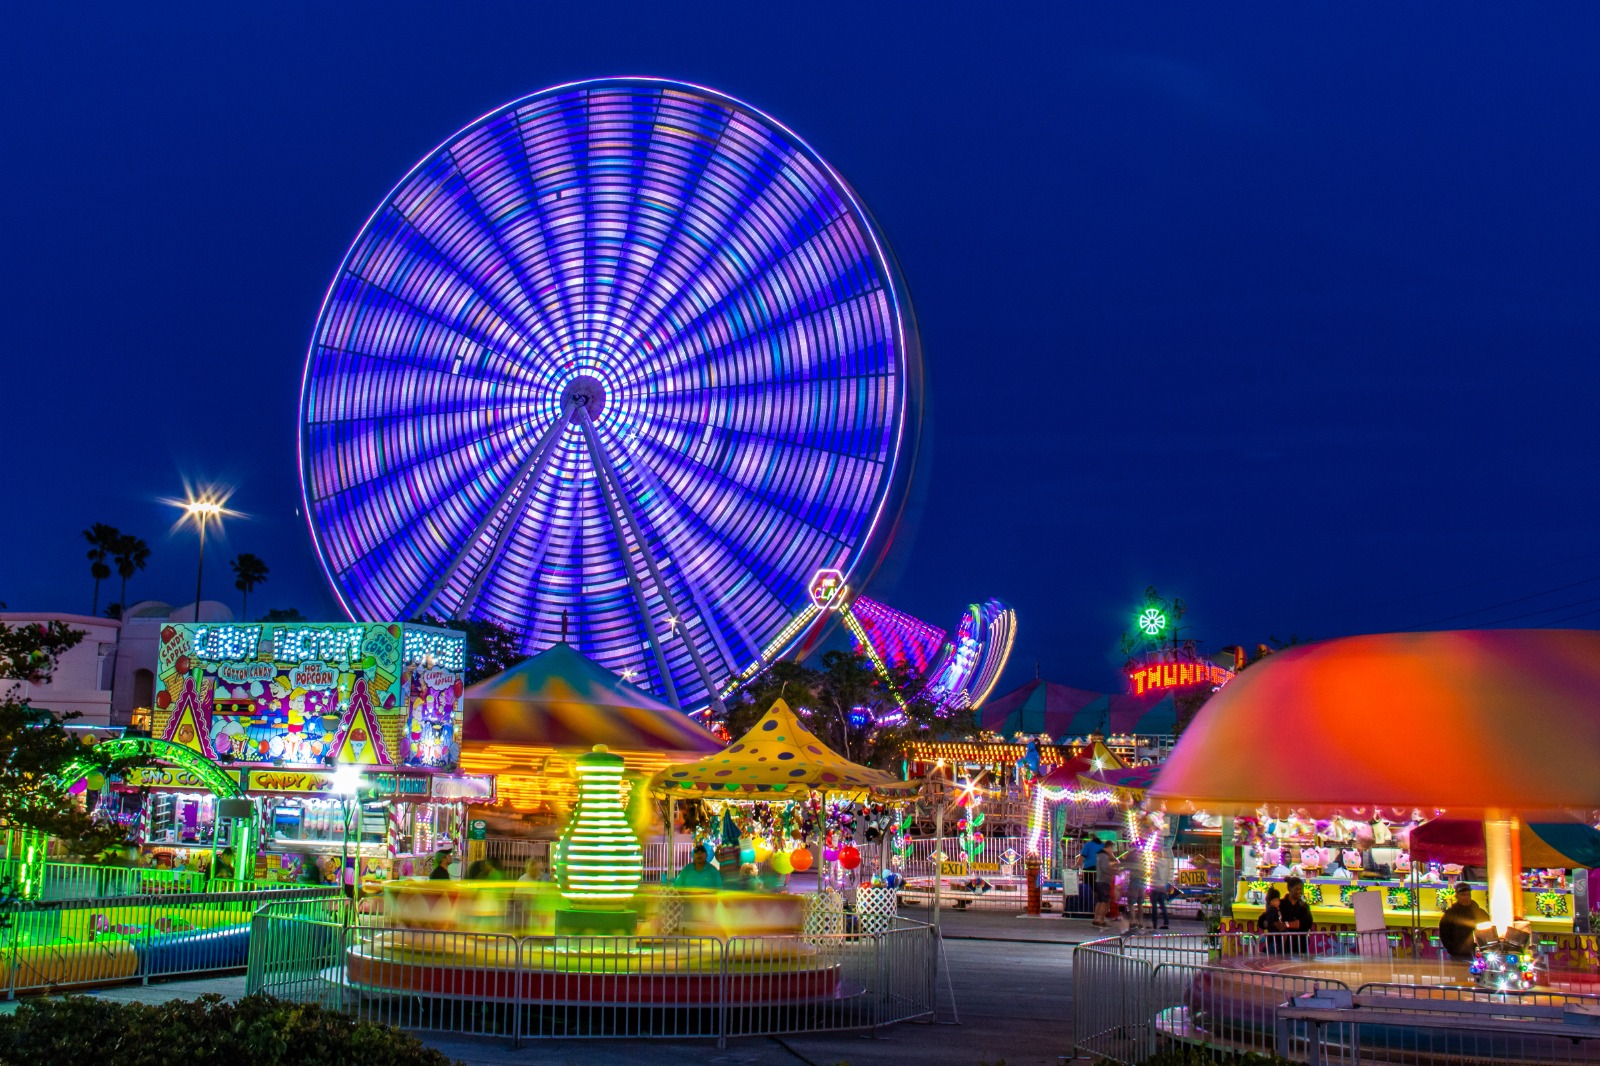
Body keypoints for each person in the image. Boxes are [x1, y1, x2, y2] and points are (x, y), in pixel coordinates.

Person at [1439, 890, 1492, 960]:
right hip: (1456, 955)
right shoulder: (1450, 914)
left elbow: (1488, 933)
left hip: (1477, 954)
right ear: (1457, 896)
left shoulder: (1480, 913)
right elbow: (1444, 933)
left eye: (1468, 895)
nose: (1466, 897)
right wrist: (1452, 949)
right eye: (1463, 895)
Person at [1278, 876, 1314, 953]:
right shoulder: (1281, 904)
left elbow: (1308, 923)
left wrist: (1287, 924)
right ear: (1290, 889)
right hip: (1285, 945)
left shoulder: (1304, 906)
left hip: (1301, 944)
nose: (1300, 892)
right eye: (1297, 889)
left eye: (1301, 889)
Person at [1149, 843, 1175, 929]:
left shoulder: (1155, 862)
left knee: (1154, 906)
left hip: (1155, 886)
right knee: (1162, 905)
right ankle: (1166, 922)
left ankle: (1154, 924)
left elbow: (1153, 874)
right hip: (1163, 887)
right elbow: (1167, 874)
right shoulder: (1166, 862)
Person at [1092, 844, 1115, 928]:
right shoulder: (1104, 856)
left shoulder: (1099, 855)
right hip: (1104, 881)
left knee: (1099, 901)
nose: (1112, 851)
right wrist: (1114, 872)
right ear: (1109, 847)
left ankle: (1096, 919)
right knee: (1104, 902)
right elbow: (1105, 869)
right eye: (1112, 849)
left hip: (1099, 880)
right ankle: (1101, 920)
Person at [1258, 887, 1286, 952]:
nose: (1279, 902)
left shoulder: (1275, 910)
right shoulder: (1272, 911)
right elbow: (1273, 923)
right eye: (1277, 900)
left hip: (1276, 939)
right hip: (1274, 940)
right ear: (1272, 901)